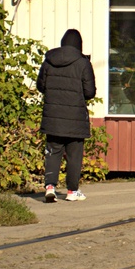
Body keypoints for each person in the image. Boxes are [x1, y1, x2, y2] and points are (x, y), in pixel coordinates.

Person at [38, 29, 96, 203]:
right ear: (79, 45)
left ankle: (50, 187)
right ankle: (72, 190)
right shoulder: (82, 63)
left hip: (53, 116)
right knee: (74, 155)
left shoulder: (49, 61)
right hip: (75, 118)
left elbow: (41, 86)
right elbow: (90, 92)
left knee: (53, 152)